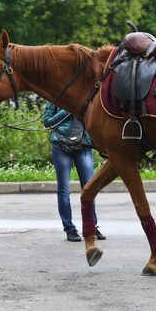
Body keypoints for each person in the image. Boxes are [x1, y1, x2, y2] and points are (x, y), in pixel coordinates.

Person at [43, 102, 106, 242]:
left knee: (90, 188)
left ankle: (91, 227)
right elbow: (47, 122)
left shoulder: (82, 95)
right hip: (61, 145)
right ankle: (70, 229)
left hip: (83, 145)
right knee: (64, 189)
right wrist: (68, 109)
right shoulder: (55, 96)